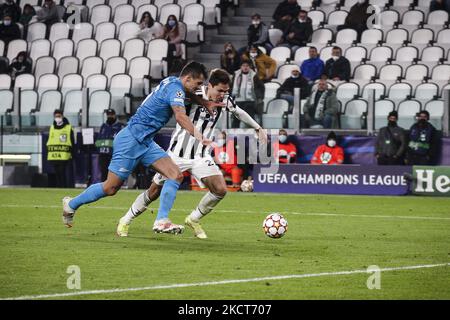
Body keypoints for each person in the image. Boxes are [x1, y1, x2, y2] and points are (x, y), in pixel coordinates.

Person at [62, 62, 222, 234]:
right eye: (198, 84)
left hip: (146, 142)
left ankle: (162, 220)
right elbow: (180, 116)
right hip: (130, 140)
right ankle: (71, 204)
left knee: (175, 175)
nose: (199, 87)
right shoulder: (176, 90)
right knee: (110, 188)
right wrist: (199, 136)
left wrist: (204, 102)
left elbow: (187, 96)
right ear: (188, 78)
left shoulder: (172, 82)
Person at [117, 69, 267, 239]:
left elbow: (239, 112)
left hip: (201, 156)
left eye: (226, 91)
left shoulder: (225, 100)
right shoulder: (192, 94)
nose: (223, 94)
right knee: (153, 192)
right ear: (209, 85)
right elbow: (175, 107)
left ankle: (193, 219)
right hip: (176, 155)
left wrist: (258, 127)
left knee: (220, 189)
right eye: (220, 90)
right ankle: (125, 219)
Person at [231, 60, 265, 127]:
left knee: (250, 119)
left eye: (247, 66)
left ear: (250, 67)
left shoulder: (254, 75)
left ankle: (252, 132)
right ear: (241, 67)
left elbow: (261, 87)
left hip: (250, 101)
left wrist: (259, 97)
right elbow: (231, 85)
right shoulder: (236, 74)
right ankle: (233, 132)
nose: (245, 67)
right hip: (238, 100)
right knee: (236, 118)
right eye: (243, 66)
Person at [47, 109, 75, 188]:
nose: (57, 118)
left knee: (63, 173)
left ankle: (64, 187)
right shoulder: (52, 127)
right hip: (54, 155)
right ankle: (59, 187)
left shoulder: (68, 127)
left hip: (64, 156)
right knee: (57, 173)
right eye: (56, 116)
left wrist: (72, 154)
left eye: (59, 116)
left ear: (62, 116)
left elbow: (72, 142)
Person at [95, 109, 124, 182]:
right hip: (103, 154)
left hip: (114, 154)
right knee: (104, 172)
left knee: (114, 173)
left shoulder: (119, 126)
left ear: (114, 115)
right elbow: (98, 140)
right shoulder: (103, 126)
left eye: (111, 115)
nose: (109, 116)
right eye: (108, 115)